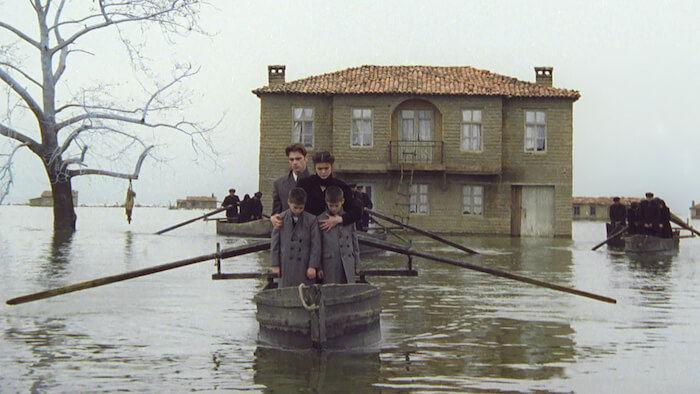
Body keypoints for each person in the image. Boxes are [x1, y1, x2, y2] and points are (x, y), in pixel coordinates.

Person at [277, 151, 362, 234]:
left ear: (331, 167)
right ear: (315, 168)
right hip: (308, 233)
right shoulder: (304, 184)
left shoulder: (341, 186)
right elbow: (291, 207)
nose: (323, 172)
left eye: (326, 168)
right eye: (320, 169)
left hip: (332, 235)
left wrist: (339, 219)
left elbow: (357, 211)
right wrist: (275, 218)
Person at [270, 187, 321, 287]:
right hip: (286, 266)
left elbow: (316, 245)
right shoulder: (280, 218)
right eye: (295, 207)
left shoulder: (311, 220)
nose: (298, 211)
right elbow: (275, 243)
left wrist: (313, 266)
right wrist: (275, 265)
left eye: (301, 208)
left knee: (305, 296)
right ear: (289, 202)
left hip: (304, 266)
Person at [317, 186, 360, 284]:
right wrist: (319, 267)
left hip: (347, 262)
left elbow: (354, 243)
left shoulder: (349, 218)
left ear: (342, 201)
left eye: (336, 205)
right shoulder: (320, 219)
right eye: (331, 205)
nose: (334, 209)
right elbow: (317, 245)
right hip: (329, 264)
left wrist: (357, 264)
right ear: (326, 202)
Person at [272, 143, 311, 215]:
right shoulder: (279, 184)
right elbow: (276, 212)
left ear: (306, 158)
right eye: (291, 160)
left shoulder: (316, 182)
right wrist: (273, 218)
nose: (295, 162)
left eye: (298, 159)